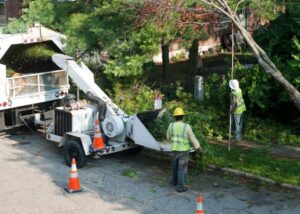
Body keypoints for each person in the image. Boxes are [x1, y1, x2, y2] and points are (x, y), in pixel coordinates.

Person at [166, 107, 203, 193]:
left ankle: (174, 182)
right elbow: (192, 138)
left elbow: (168, 137)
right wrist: (198, 147)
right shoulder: (187, 127)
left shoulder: (171, 125)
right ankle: (180, 187)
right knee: (181, 169)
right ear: (183, 116)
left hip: (174, 150)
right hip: (183, 151)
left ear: (174, 117)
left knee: (174, 167)